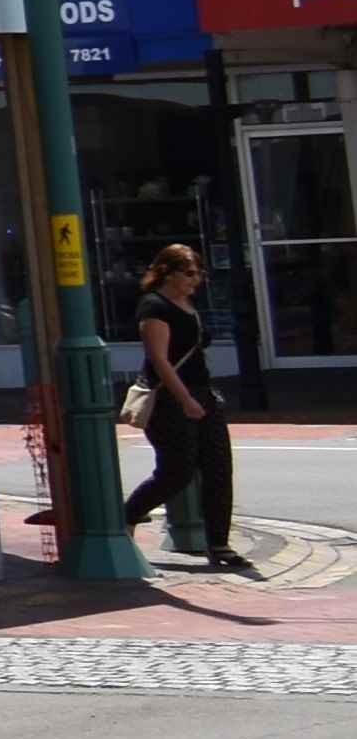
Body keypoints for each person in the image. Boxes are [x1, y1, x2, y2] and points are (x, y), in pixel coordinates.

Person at [114, 240, 257, 576]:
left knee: (219, 467)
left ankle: (219, 544)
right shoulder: (154, 307)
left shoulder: (189, 304)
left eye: (199, 273)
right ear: (167, 273)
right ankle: (127, 515)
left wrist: (203, 396)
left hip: (203, 392)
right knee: (177, 471)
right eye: (189, 273)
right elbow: (160, 361)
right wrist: (186, 400)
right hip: (170, 401)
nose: (197, 280)